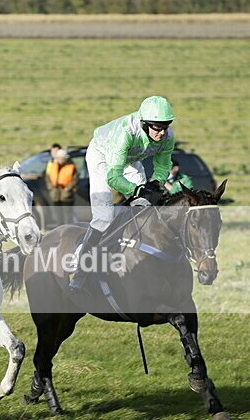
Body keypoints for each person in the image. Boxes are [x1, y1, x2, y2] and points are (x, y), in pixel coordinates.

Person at [70, 95, 176, 293]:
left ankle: (136, 257)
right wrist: (136, 190)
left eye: (165, 127)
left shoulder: (168, 136)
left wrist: (155, 184)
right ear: (144, 124)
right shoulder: (126, 133)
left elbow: (163, 166)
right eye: (156, 128)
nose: (162, 133)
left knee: (144, 207)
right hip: (102, 155)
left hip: (129, 159)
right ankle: (80, 261)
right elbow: (114, 177)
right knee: (104, 216)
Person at [45, 148, 77, 227]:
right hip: (55, 195)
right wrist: (51, 188)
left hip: (66, 196)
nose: (60, 160)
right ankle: (59, 231)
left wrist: (67, 189)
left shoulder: (71, 167)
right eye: (59, 158)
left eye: (62, 158)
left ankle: (68, 231)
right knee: (58, 217)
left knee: (67, 217)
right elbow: (48, 178)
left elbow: (75, 180)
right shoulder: (53, 166)